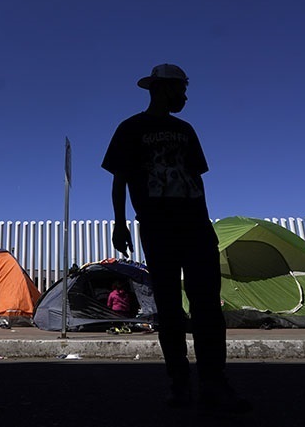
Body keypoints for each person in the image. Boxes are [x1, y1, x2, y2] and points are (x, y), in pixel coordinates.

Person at [101, 63, 250, 413]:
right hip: (156, 226)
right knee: (169, 307)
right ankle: (179, 385)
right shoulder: (131, 127)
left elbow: (196, 180)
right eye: (180, 88)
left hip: (196, 226)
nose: (184, 95)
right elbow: (119, 178)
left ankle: (214, 384)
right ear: (160, 88)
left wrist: (204, 223)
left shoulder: (185, 130)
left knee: (207, 308)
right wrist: (120, 223)